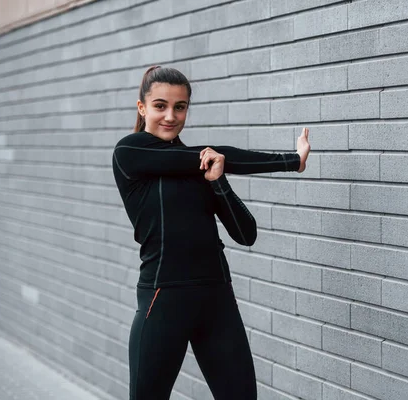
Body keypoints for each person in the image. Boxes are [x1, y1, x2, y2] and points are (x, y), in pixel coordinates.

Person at [112, 66, 311, 400]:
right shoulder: (129, 153)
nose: (170, 116)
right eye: (160, 106)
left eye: (180, 107)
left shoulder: (204, 166)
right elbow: (210, 152)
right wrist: (292, 161)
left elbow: (246, 234)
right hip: (164, 299)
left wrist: (218, 182)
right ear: (142, 107)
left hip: (216, 298)